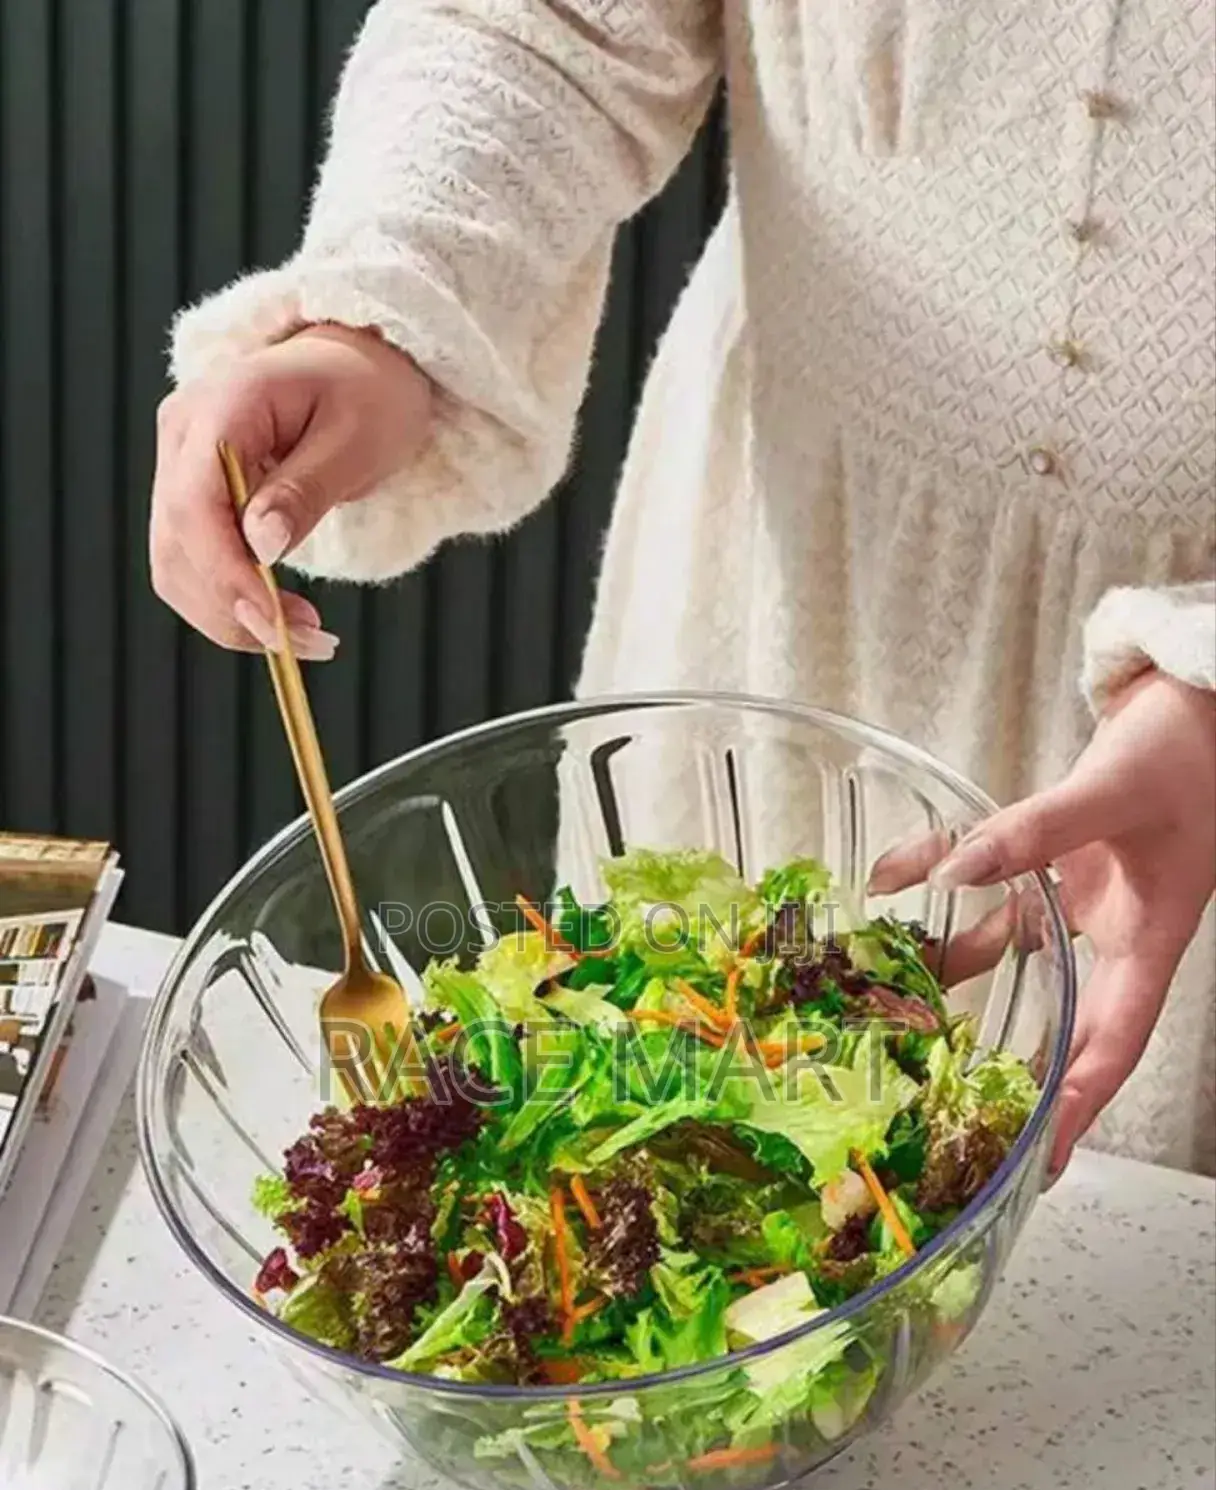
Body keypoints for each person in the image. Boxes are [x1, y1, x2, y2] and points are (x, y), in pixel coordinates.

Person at [148, 2, 1216, 1177]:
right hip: (778, 577)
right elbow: (552, 26)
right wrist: (391, 307)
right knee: (664, 1148)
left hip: (1190, 744)